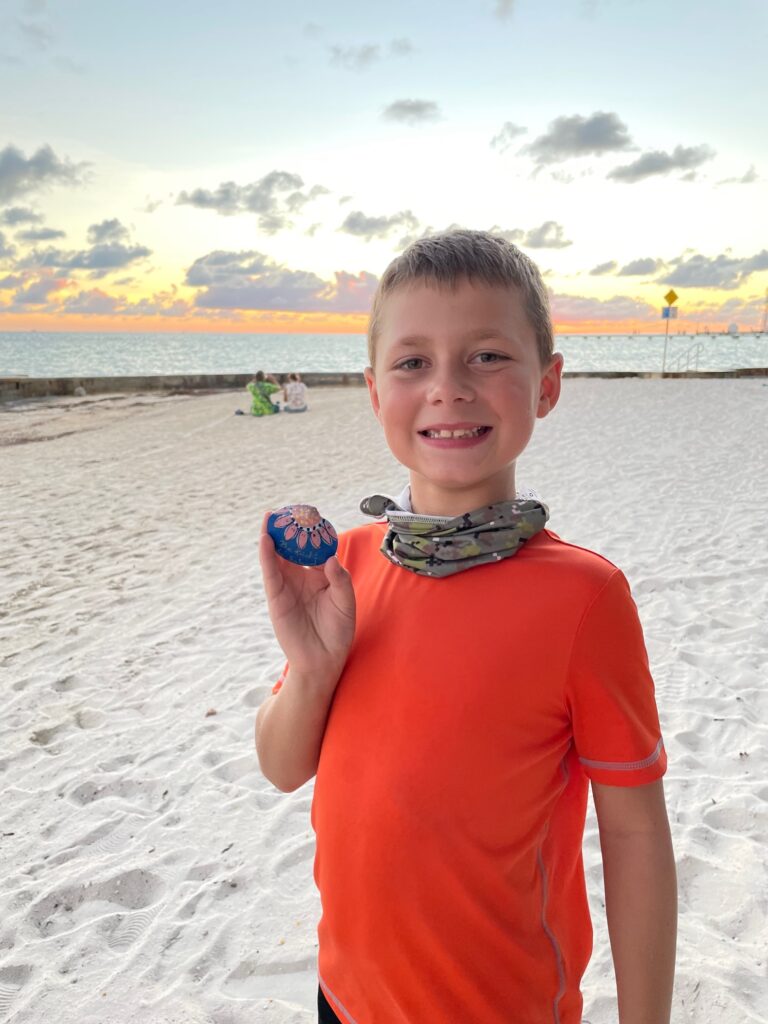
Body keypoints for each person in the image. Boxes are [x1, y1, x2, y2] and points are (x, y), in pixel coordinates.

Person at [256, 230, 677, 1024]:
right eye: (412, 362)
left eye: (487, 355)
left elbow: (635, 837)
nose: (447, 388)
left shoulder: (584, 598)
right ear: (376, 393)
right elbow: (283, 769)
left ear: (547, 385)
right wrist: (311, 671)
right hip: (345, 998)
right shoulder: (344, 566)